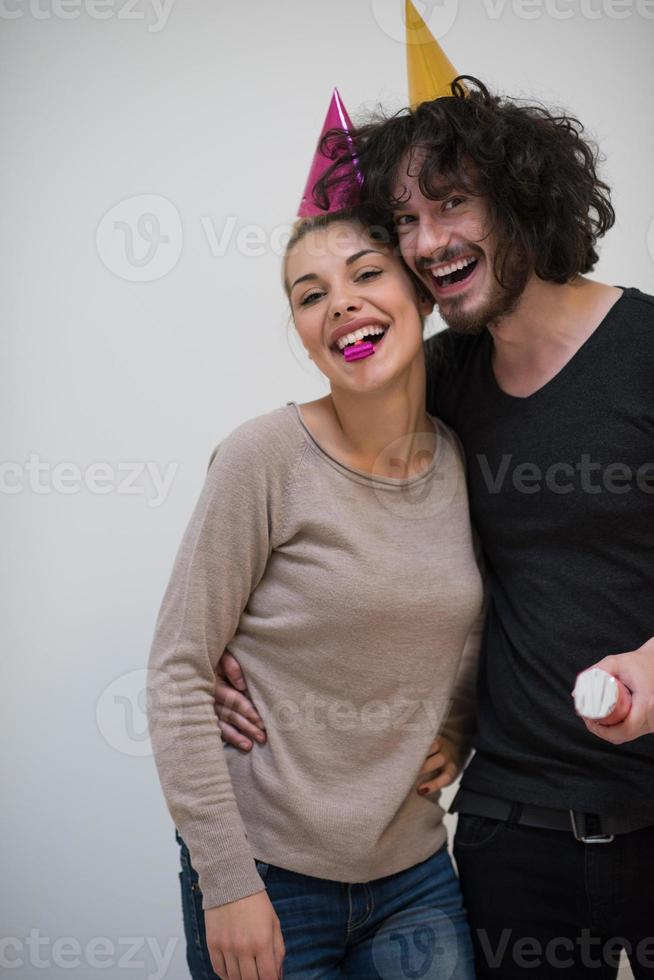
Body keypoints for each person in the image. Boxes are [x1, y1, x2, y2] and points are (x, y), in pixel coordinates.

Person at [214, 79, 654, 979]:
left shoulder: (645, 348)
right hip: (508, 833)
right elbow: (330, 485)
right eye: (404, 221)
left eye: (452, 205)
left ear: (524, 201)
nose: (427, 243)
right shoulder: (442, 378)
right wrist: (231, 651)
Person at [146, 205, 487, 980]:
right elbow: (177, 670)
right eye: (310, 295)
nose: (340, 303)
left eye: (366, 274)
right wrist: (226, 883)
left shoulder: (463, 461)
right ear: (303, 333)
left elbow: (467, 616)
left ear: (422, 295)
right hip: (269, 874)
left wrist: (458, 725)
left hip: (415, 874)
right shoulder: (262, 456)